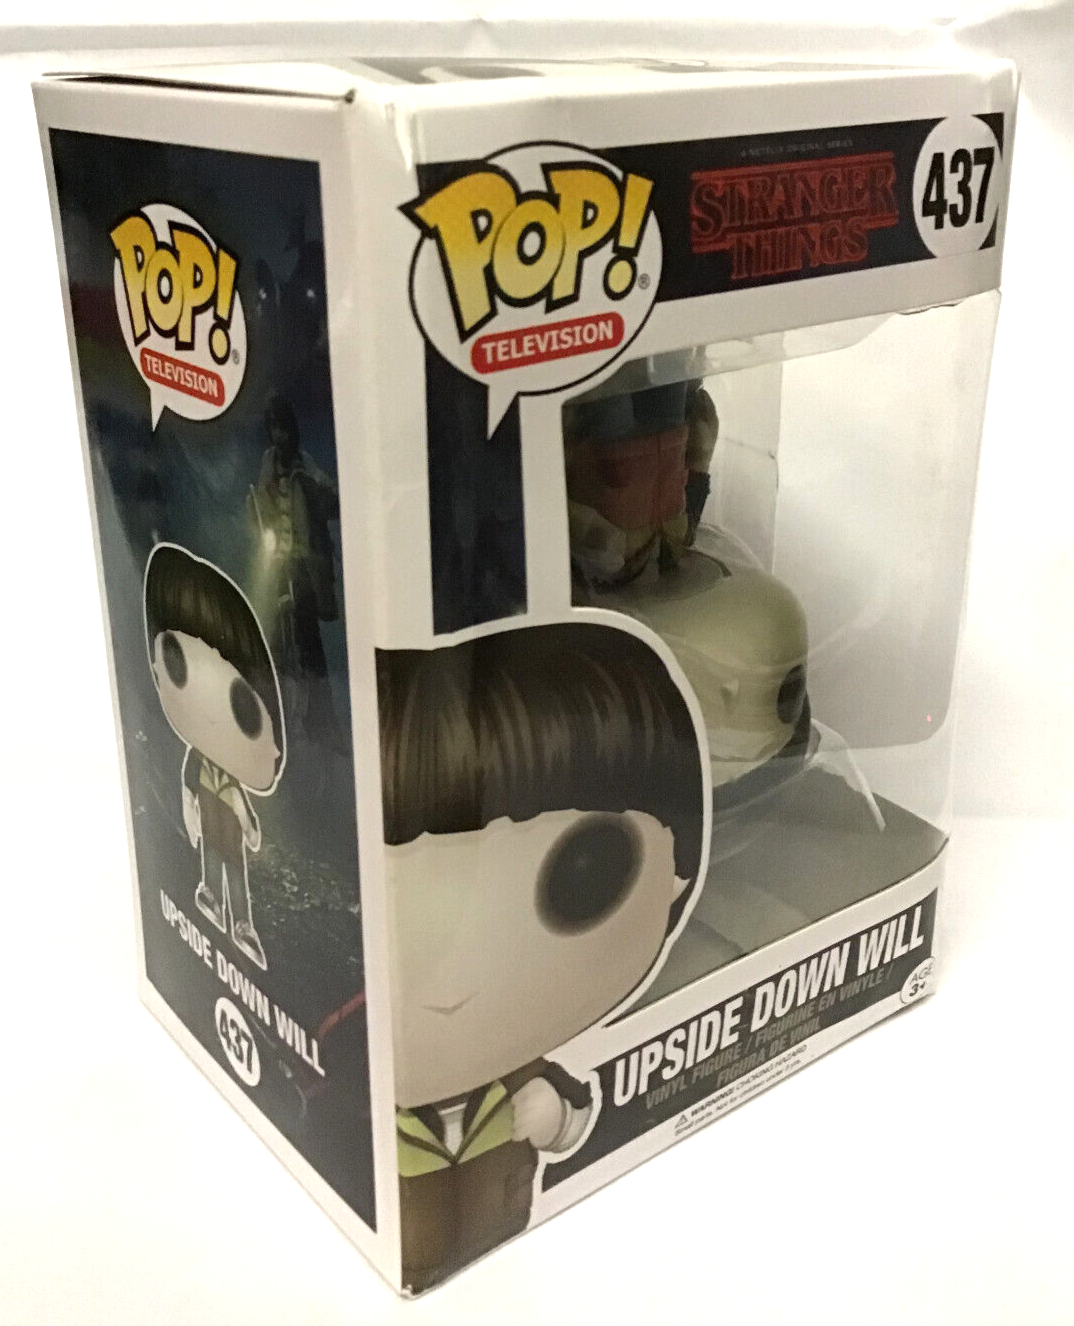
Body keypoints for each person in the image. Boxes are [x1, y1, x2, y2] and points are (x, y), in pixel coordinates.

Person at [376, 623, 705, 1291]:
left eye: (585, 875)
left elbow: (577, 1112)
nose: (454, 985)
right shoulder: (376, 1079)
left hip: (516, 1234)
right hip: (408, 1238)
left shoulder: (523, 1071)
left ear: (675, 879)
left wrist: (556, 1118)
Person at [145, 543, 285, 970]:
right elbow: (189, 788)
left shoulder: (226, 771)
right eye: (176, 664)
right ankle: (208, 893)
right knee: (211, 857)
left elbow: (241, 805)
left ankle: (242, 923)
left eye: (242, 707)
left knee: (236, 871)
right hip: (209, 812)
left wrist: (250, 825)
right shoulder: (197, 760)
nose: (207, 712)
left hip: (225, 815)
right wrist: (190, 809)